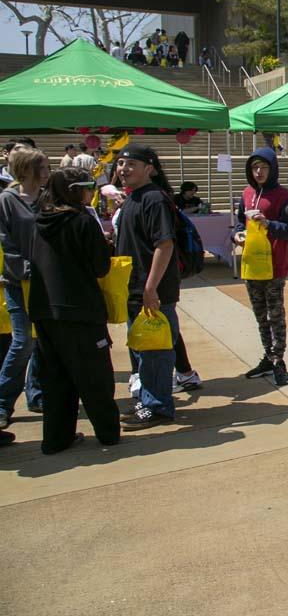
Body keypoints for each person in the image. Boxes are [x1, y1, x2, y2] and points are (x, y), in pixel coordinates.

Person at [27, 167, 119, 454]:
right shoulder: (81, 220)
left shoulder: (39, 219)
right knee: (95, 377)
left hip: (44, 311)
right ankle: (107, 433)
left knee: (55, 378)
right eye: (86, 187)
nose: (90, 193)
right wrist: (105, 246)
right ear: (74, 190)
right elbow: (100, 266)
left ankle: (56, 439)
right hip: (81, 311)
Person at [114, 144, 185, 429]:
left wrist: (150, 288)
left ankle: (158, 407)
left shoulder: (154, 199)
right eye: (120, 163)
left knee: (156, 351)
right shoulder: (133, 198)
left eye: (131, 164)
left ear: (150, 169)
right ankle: (147, 400)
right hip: (135, 289)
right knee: (142, 348)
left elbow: (164, 245)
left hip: (152, 291)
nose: (123, 169)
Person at [0, 146, 49, 428]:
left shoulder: (46, 197)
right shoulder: (7, 199)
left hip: (46, 282)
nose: (47, 172)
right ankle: (3, 401)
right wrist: (25, 269)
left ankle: (37, 394)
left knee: (41, 340)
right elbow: (5, 242)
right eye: (42, 167)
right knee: (22, 342)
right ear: (27, 169)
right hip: (18, 281)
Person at [236, 149, 288, 388]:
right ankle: (268, 356)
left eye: (263, 167)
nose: (258, 172)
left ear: (273, 168)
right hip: (251, 264)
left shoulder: (283, 196)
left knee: (275, 314)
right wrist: (236, 235)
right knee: (260, 314)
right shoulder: (247, 193)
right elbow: (240, 222)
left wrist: (268, 223)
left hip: (274, 265)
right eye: (254, 167)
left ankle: (279, 359)